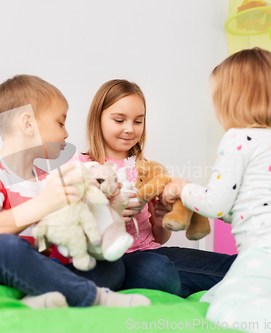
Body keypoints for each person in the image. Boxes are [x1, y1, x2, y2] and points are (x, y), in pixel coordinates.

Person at [161, 48, 271, 332]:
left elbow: (215, 204)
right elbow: (242, 209)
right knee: (214, 295)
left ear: (231, 100)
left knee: (224, 312)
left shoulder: (236, 138)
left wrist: (183, 188)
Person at [0, 74, 151, 309]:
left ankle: (34, 301)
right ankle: (96, 298)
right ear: (28, 124)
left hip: (33, 275)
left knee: (110, 268)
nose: (66, 134)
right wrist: (44, 204)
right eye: (60, 123)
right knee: (5, 247)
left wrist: (106, 209)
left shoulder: (48, 179)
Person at [68, 79, 236, 298]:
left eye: (138, 121)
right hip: (107, 261)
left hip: (152, 252)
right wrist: (110, 214)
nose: (129, 129)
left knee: (232, 266)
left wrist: (161, 218)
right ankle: (179, 287)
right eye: (119, 120)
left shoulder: (147, 170)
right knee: (158, 272)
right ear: (98, 118)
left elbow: (158, 237)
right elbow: (67, 226)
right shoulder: (80, 165)